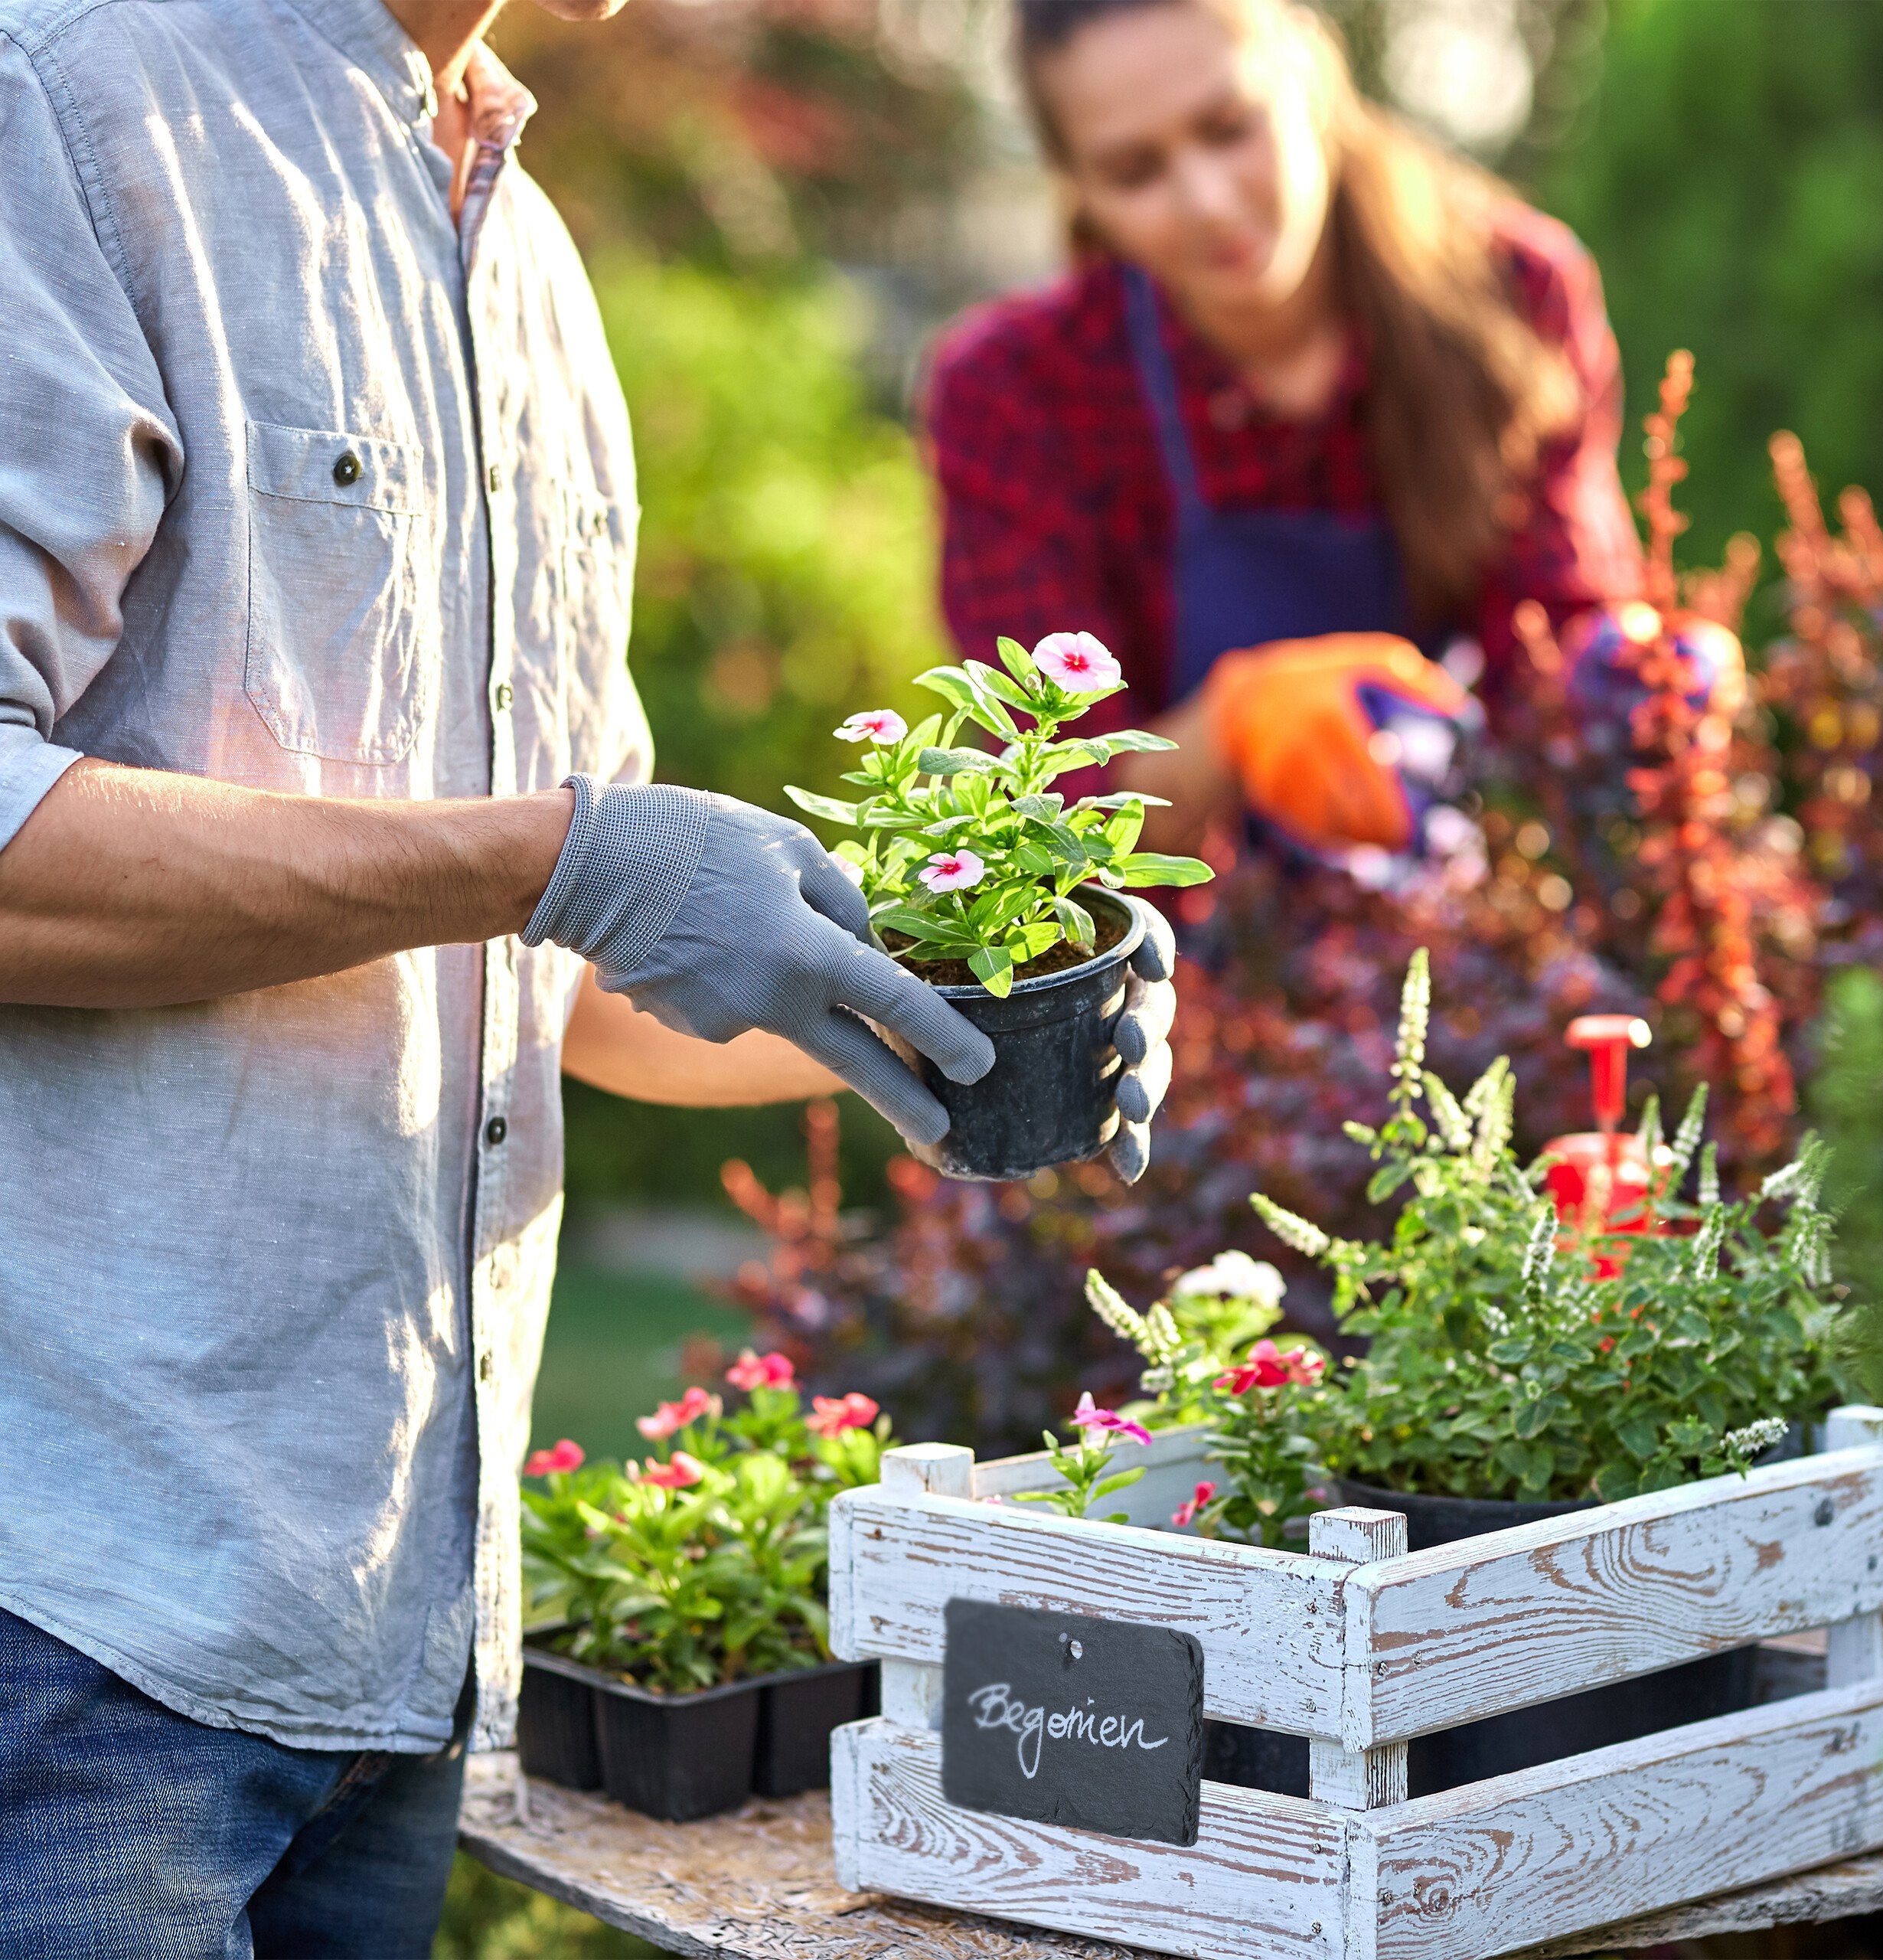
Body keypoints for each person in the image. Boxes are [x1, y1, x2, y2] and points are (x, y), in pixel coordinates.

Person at [0, 0, 1175, 1951]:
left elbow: (560, 981)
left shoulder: (524, 256)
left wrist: (933, 1024)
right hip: (72, 1621)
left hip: (388, 1639)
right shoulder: (68, 105)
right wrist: (554, 857)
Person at [925, 0, 1657, 862]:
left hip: (1473, 896)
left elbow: (1555, 655)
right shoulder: (1014, 392)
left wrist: (1640, 683)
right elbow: (1046, 813)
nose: (1206, 201)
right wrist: (1229, 727)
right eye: (1134, 171)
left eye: (1230, 127)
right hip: (1185, 958)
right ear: (1078, 187)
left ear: (1311, 73)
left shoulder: (1510, 296)